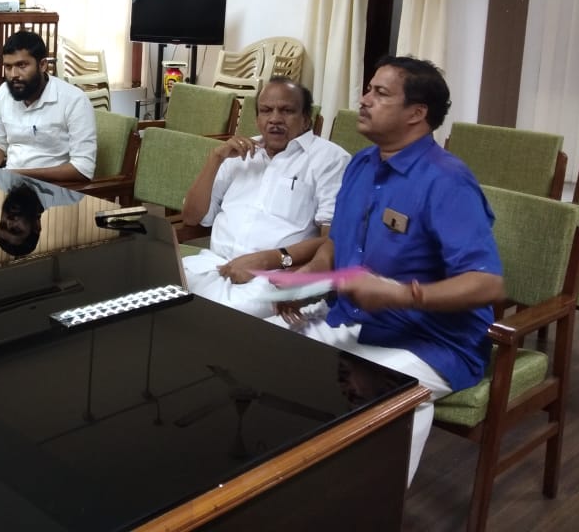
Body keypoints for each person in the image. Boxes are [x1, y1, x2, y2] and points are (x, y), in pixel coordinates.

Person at [277, 56, 504, 486]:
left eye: (380, 93)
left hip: (432, 340)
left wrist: (401, 294)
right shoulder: (362, 165)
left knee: (380, 394)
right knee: (265, 351)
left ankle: (369, 505)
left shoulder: (447, 181)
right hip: (354, 319)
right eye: (368, 90)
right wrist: (306, 280)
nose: (363, 100)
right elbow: (337, 242)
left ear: (416, 113)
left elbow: (487, 283)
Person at [180, 78, 350, 316]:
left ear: (306, 119)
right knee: (154, 288)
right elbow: (191, 217)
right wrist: (215, 159)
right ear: (257, 118)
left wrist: (268, 260)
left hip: (272, 276)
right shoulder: (239, 154)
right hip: (213, 264)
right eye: (266, 110)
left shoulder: (329, 159)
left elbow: (332, 238)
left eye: (287, 111)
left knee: (218, 317)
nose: (275, 119)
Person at [0, 31, 97, 184]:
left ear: (43, 65)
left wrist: (20, 174)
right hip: (11, 184)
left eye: (22, 65)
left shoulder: (74, 100)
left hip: (54, 188)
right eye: (8, 67)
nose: (13, 74)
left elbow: (83, 169)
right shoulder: (4, 92)